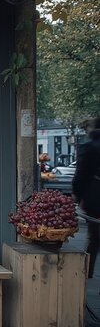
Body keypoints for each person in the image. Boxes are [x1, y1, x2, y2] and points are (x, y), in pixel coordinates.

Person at [72, 117, 100, 278]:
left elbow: (81, 175)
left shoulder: (89, 147)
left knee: (94, 237)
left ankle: (87, 273)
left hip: (95, 199)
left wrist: (78, 195)